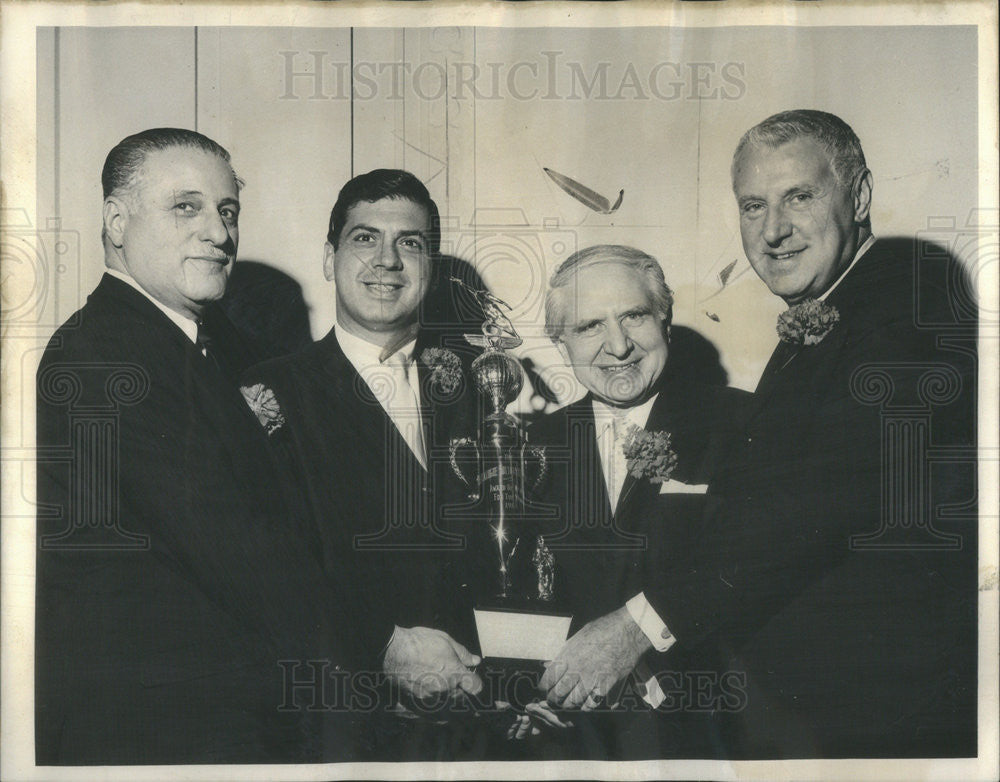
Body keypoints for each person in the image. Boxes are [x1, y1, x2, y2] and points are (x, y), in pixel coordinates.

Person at [538, 110, 977, 757]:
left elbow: (809, 502)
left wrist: (636, 628)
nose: (773, 230)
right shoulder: (827, 321)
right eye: (753, 206)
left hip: (872, 717)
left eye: (799, 196)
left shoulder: (907, 292)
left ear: (858, 195)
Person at [35, 129, 357, 764]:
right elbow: (235, 544)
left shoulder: (226, 348)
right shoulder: (99, 354)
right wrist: (380, 652)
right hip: (159, 732)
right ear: (116, 221)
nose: (219, 232)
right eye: (187, 206)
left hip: (250, 714)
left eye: (227, 210)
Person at [241, 170, 486, 750]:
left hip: (474, 717)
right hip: (341, 718)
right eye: (363, 239)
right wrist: (382, 645)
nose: (388, 261)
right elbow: (267, 568)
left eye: (410, 243)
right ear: (329, 259)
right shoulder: (270, 393)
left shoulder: (475, 388)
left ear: (430, 264)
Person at [527, 245, 748, 757]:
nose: (619, 345)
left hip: (708, 732)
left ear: (664, 320)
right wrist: (520, 692)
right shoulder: (532, 445)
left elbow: (754, 570)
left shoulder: (742, 424)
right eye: (589, 327)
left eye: (633, 316)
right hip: (571, 742)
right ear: (562, 343)